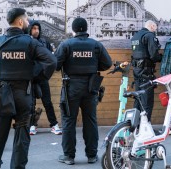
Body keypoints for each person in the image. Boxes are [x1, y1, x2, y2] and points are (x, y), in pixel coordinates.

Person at [0, 8, 56, 169]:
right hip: (24, 94)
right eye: (28, 20)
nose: (29, 23)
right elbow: (51, 61)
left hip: (3, 94)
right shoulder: (31, 42)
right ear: (20, 22)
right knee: (22, 136)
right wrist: (37, 78)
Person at [54, 17, 112, 165]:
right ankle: (92, 155)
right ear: (86, 29)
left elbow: (55, 65)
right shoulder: (96, 45)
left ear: (73, 29)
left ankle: (69, 156)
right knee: (90, 121)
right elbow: (107, 64)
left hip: (70, 88)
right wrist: (93, 66)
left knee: (68, 121)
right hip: (91, 87)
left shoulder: (66, 44)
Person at [28, 20, 62, 135]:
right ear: (29, 29)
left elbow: (51, 59)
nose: (36, 31)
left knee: (47, 102)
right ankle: (32, 125)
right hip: (29, 78)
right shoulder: (25, 42)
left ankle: (54, 125)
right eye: (34, 28)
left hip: (42, 78)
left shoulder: (44, 42)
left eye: (37, 28)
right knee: (31, 103)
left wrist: (46, 74)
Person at [131, 20, 162, 121]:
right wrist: (161, 57)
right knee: (147, 101)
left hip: (136, 71)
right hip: (146, 71)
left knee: (138, 99)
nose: (155, 30)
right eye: (155, 27)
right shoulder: (149, 36)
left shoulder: (135, 36)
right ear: (152, 26)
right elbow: (153, 55)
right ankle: (145, 127)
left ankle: (135, 126)